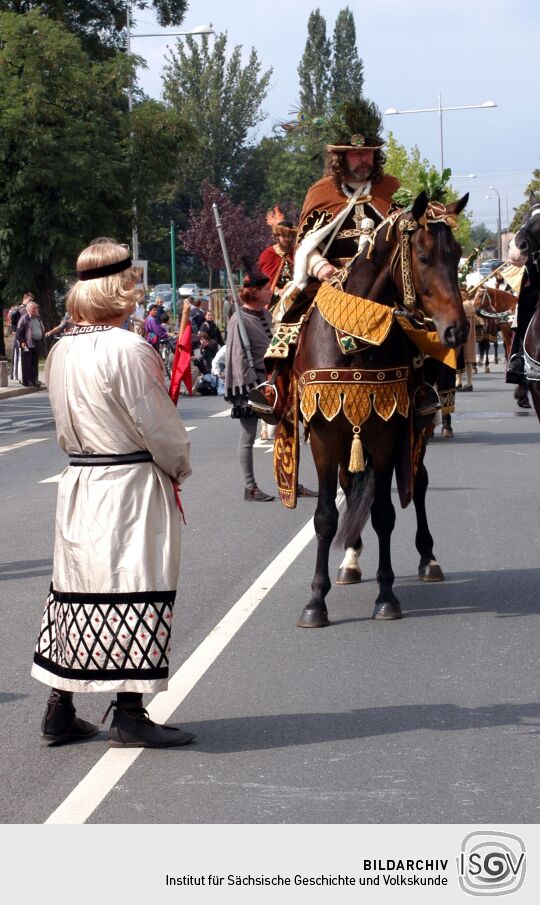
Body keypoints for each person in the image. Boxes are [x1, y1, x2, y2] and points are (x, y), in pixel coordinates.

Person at [31, 241, 194, 748]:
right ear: (120, 290)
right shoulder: (131, 349)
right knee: (132, 589)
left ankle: (60, 707)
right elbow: (159, 428)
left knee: (77, 593)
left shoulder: (60, 350)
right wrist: (179, 469)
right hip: (127, 485)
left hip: (79, 479)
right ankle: (129, 713)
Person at [225, 270, 276, 502]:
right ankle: (250, 486)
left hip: (272, 383)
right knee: (248, 437)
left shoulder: (265, 315)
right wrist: (252, 388)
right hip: (251, 386)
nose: (271, 291)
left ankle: (290, 480)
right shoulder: (239, 319)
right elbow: (237, 358)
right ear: (255, 292)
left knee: (285, 431)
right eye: (266, 289)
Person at [258, 216, 297, 312]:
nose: (287, 239)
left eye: (289, 236)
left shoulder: (296, 252)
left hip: (296, 296)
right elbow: (263, 281)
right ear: (277, 237)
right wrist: (278, 291)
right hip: (275, 300)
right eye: (283, 236)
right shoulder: (268, 254)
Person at [16, 299, 45, 386]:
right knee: (27, 363)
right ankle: (26, 381)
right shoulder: (24, 319)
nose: (36, 310)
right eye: (34, 309)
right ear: (28, 309)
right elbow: (19, 332)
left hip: (37, 343)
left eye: (36, 309)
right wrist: (22, 342)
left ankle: (34, 380)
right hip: (27, 344)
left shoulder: (38, 318)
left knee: (34, 363)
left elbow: (40, 328)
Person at [10, 292, 31, 380]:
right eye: (29, 300)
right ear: (25, 299)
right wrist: (14, 330)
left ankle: (24, 375)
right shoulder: (21, 309)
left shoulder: (25, 309)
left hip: (25, 336)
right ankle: (16, 376)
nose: (30, 302)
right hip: (20, 335)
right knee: (18, 355)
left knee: (25, 355)